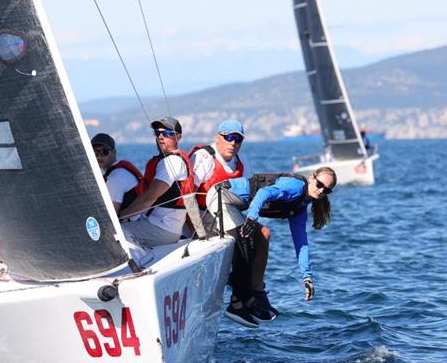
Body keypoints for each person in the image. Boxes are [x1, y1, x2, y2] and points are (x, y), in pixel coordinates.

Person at [216, 167, 337, 328]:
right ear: (312, 178)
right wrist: (252, 218)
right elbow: (263, 193)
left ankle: (256, 294)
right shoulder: (295, 187)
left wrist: (307, 277)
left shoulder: (300, 207)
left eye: (326, 190)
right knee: (246, 240)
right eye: (319, 184)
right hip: (222, 197)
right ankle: (236, 304)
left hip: (234, 206)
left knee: (264, 235)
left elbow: (301, 242)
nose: (321, 190)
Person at [191, 119, 255, 318]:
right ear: (217, 138)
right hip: (200, 219)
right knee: (241, 238)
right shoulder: (203, 157)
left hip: (225, 216)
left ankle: (252, 294)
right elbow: (187, 195)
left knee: (262, 234)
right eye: (229, 138)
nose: (233, 143)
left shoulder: (241, 164)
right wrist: (198, 232)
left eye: (238, 139)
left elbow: (250, 194)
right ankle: (240, 298)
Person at [119, 117, 195, 248]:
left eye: (166, 133)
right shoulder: (164, 161)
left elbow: (149, 199)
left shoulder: (172, 162)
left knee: (115, 233)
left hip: (163, 229)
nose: (160, 137)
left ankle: (135, 266)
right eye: (157, 133)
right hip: (157, 224)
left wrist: (119, 217)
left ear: (178, 137)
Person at [91, 133, 145, 214]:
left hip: (132, 223)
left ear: (114, 153)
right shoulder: (117, 172)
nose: (99, 156)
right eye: (95, 152)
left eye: (104, 152)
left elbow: (110, 215)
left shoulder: (116, 178)